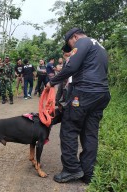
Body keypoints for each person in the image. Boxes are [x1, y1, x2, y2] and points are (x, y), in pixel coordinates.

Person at [46, 28, 111, 184]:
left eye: (70, 44)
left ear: (74, 37)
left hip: (84, 92)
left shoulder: (82, 42)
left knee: (69, 128)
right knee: (90, 132)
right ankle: (88, 173)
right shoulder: (99, 46)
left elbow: (71, 67)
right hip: (101, 94)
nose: (70, 48)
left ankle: (71, 169)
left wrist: (52, 82)